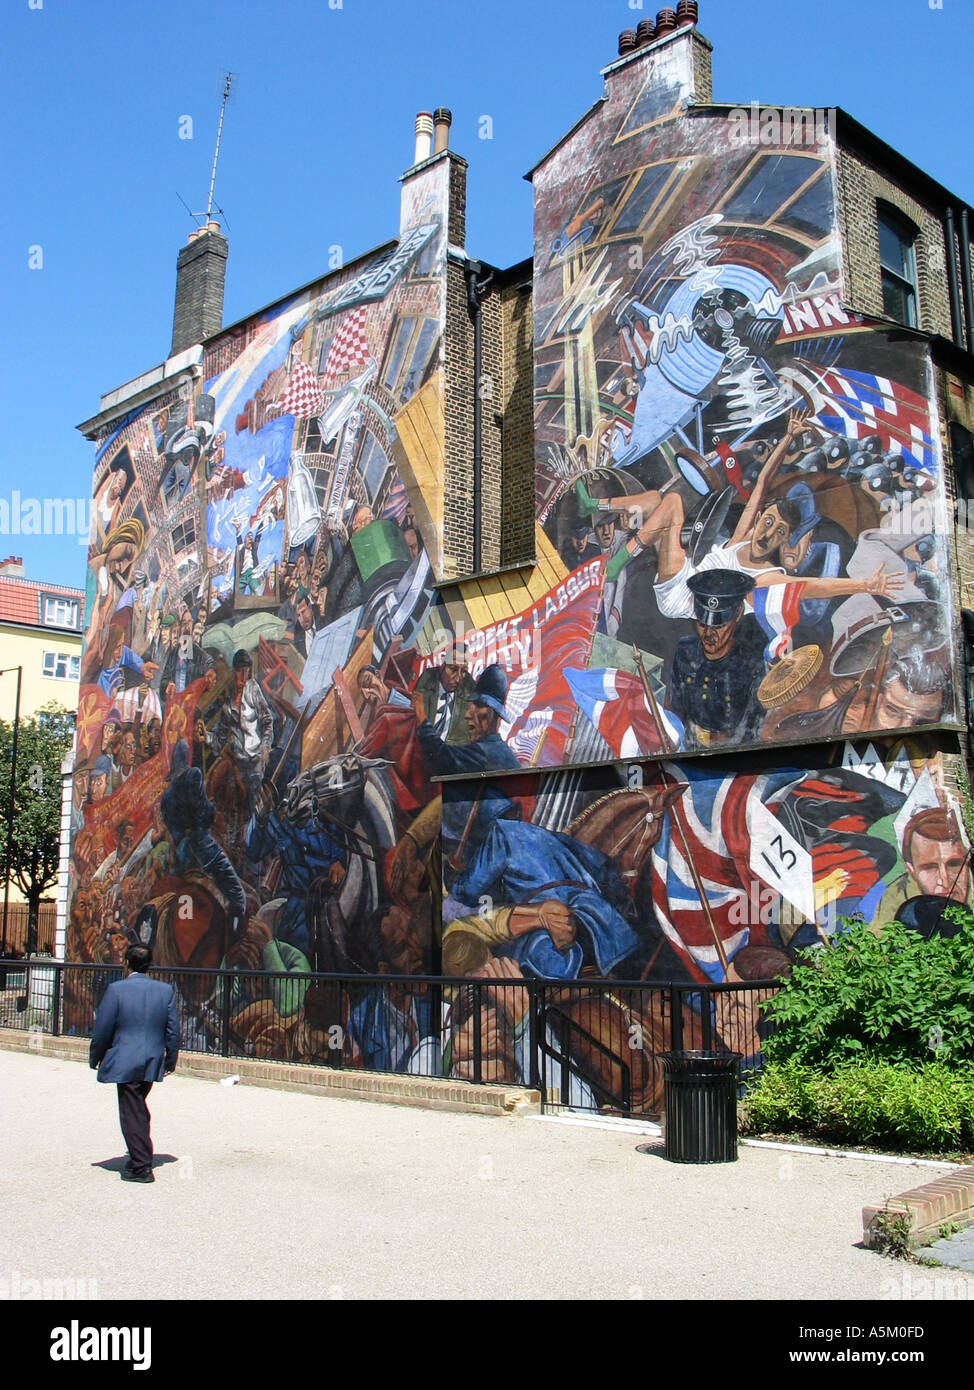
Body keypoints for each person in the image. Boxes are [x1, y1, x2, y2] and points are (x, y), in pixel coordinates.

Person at [88, 943, 180, 1183]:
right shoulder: (164, 991)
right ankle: (141, 1154)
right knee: (137, 1107)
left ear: (126, 963)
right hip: (151, 1060)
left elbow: (103, 1029)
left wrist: (95, 1057)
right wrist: (170, 1060)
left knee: (131, 1112)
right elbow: (173, 1031)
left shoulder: (117, 990)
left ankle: (141, 1166)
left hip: (125, 1060)